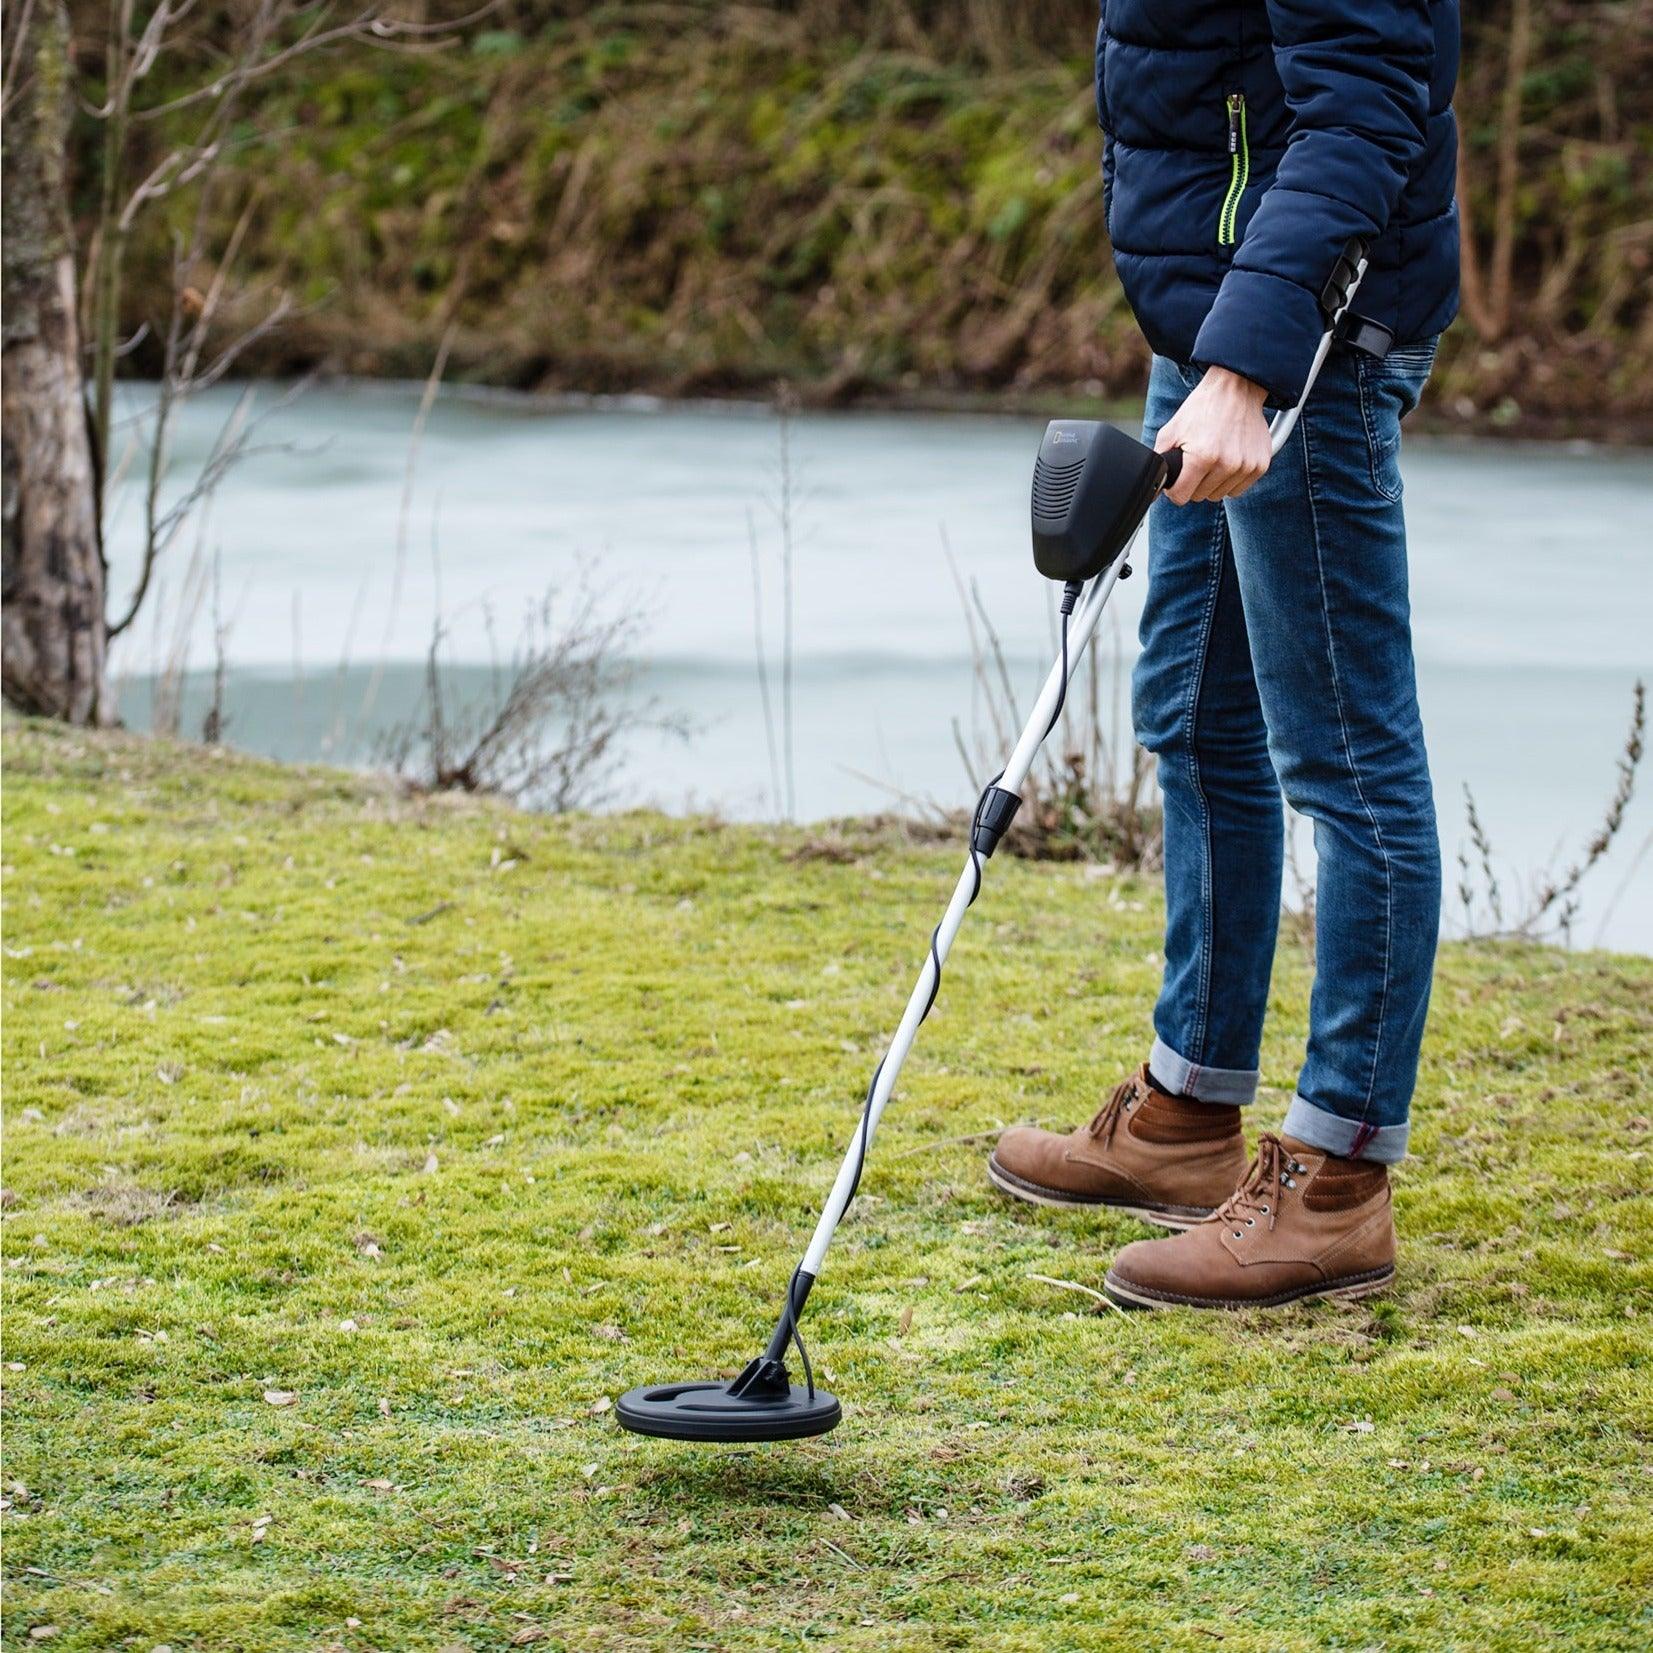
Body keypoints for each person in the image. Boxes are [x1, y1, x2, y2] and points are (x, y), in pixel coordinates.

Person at [987, 0, 1460, 1309]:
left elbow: (1362, 101)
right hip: (1220, 320)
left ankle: (1335, 1182)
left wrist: (1250, 366)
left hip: (1304, 336)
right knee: (1193, 715)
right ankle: (1185, 1112)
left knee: (1344, 753)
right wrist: (1214, 342)